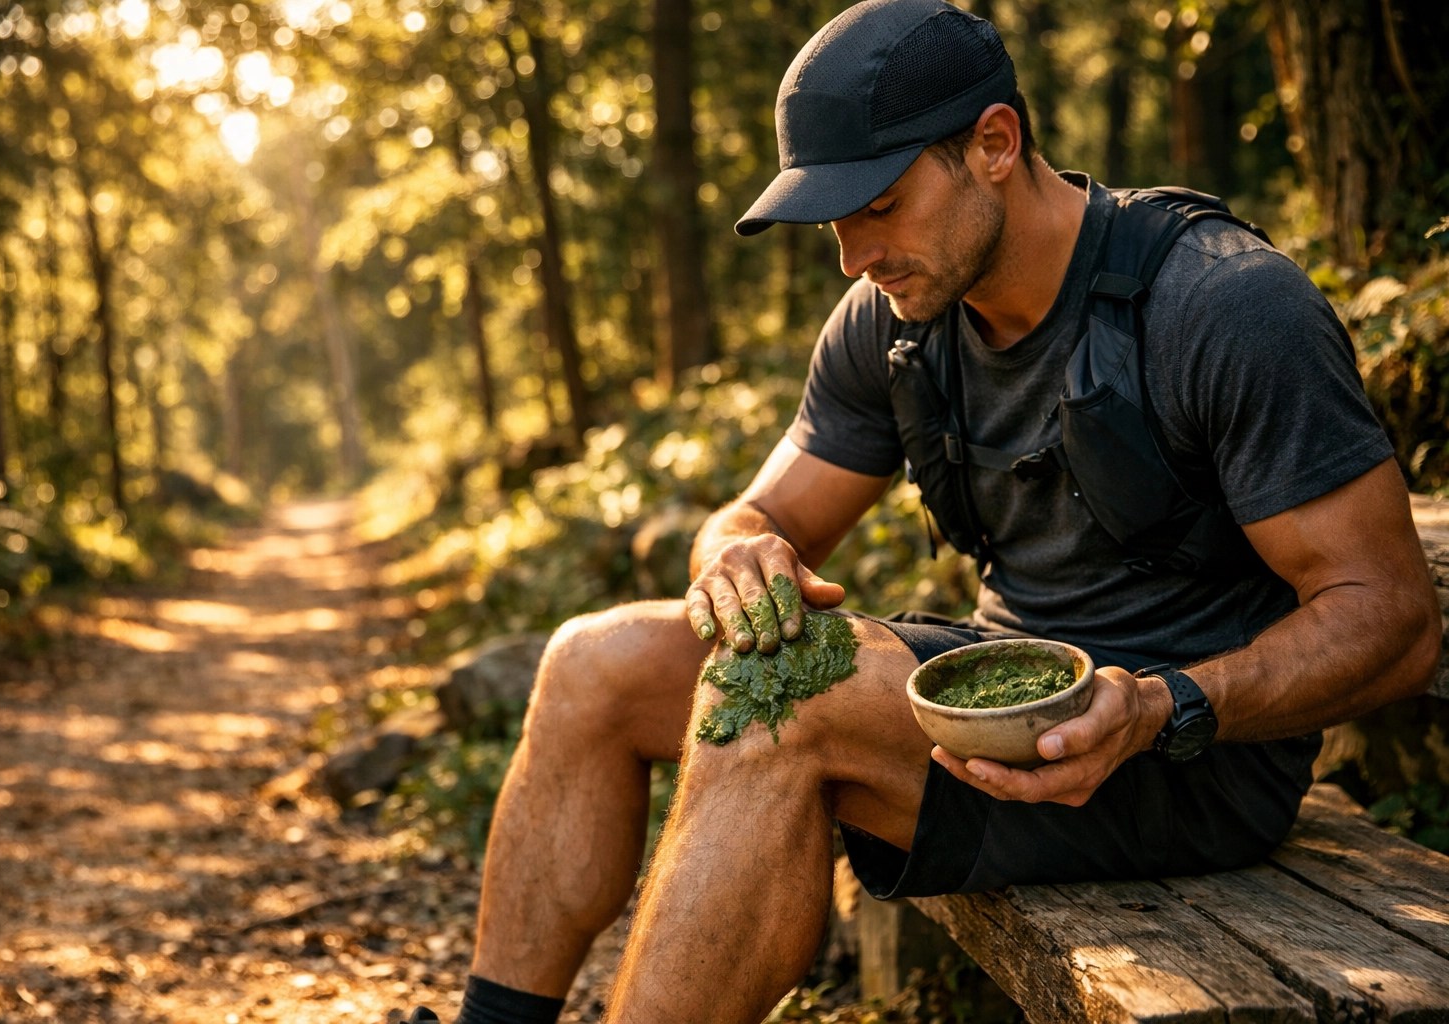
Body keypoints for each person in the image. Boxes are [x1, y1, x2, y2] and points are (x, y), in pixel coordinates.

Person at [392, 1, 1441, 1021]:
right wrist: (734, 554)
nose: (853, 255)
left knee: (788, 689)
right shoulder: (894, 317)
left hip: (1184, 762)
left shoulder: (1222, 305)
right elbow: (757, 513)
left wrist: (1160, 707)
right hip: (982, 716)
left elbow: (1392, 622)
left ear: (993, 142)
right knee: (593, 663)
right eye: (832, 218)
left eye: (879, 204)